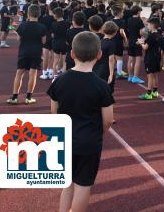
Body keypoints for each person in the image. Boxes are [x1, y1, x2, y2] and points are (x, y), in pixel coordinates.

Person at [47, 31, 114, 212]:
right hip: (89, 143)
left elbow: (54, 113)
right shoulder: (101, 86)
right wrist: (97, 132)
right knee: (83, 186)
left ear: (72, 54)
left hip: (65, 141)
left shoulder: (59, 81)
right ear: (99, 55)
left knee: (67, 184)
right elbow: (108, 120)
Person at [7, 4, 47, 105]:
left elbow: (19, 39)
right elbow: (43, 41)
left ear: (28, 14)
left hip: (24, 52)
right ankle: (29, 98)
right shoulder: (42, 27)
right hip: (36, 53)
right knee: (32, 75)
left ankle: (14, 97)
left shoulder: (23, 25)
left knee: (19, 74)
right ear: (39, 14)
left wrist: (17, 33)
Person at [93, 21, 118, 95]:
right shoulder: (111, 44)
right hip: (106, 70)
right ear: (114, 32)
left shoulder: (99, 41)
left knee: (98, 90)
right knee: (108, 92)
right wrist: (111, 74)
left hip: (96, 68)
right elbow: (111, 60)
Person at [126, 5, 145, 84]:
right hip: (137, 40)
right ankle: (135, 77)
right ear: (138, 12)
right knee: (138, 59)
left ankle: (130, 76)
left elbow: (127, 29)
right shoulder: (139, 20)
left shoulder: (129, 19)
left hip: (130, 40)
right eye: (140, 11)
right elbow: (141, 32)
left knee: (130, 59)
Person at [51, 7, 70, 78]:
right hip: (65, 43)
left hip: (56, 43)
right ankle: (63, 76)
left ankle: (54, 76)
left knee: (55, 60)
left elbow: (52, 35)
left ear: (56, 15)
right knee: (65, 61)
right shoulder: (67, 23)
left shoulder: (53, 24)